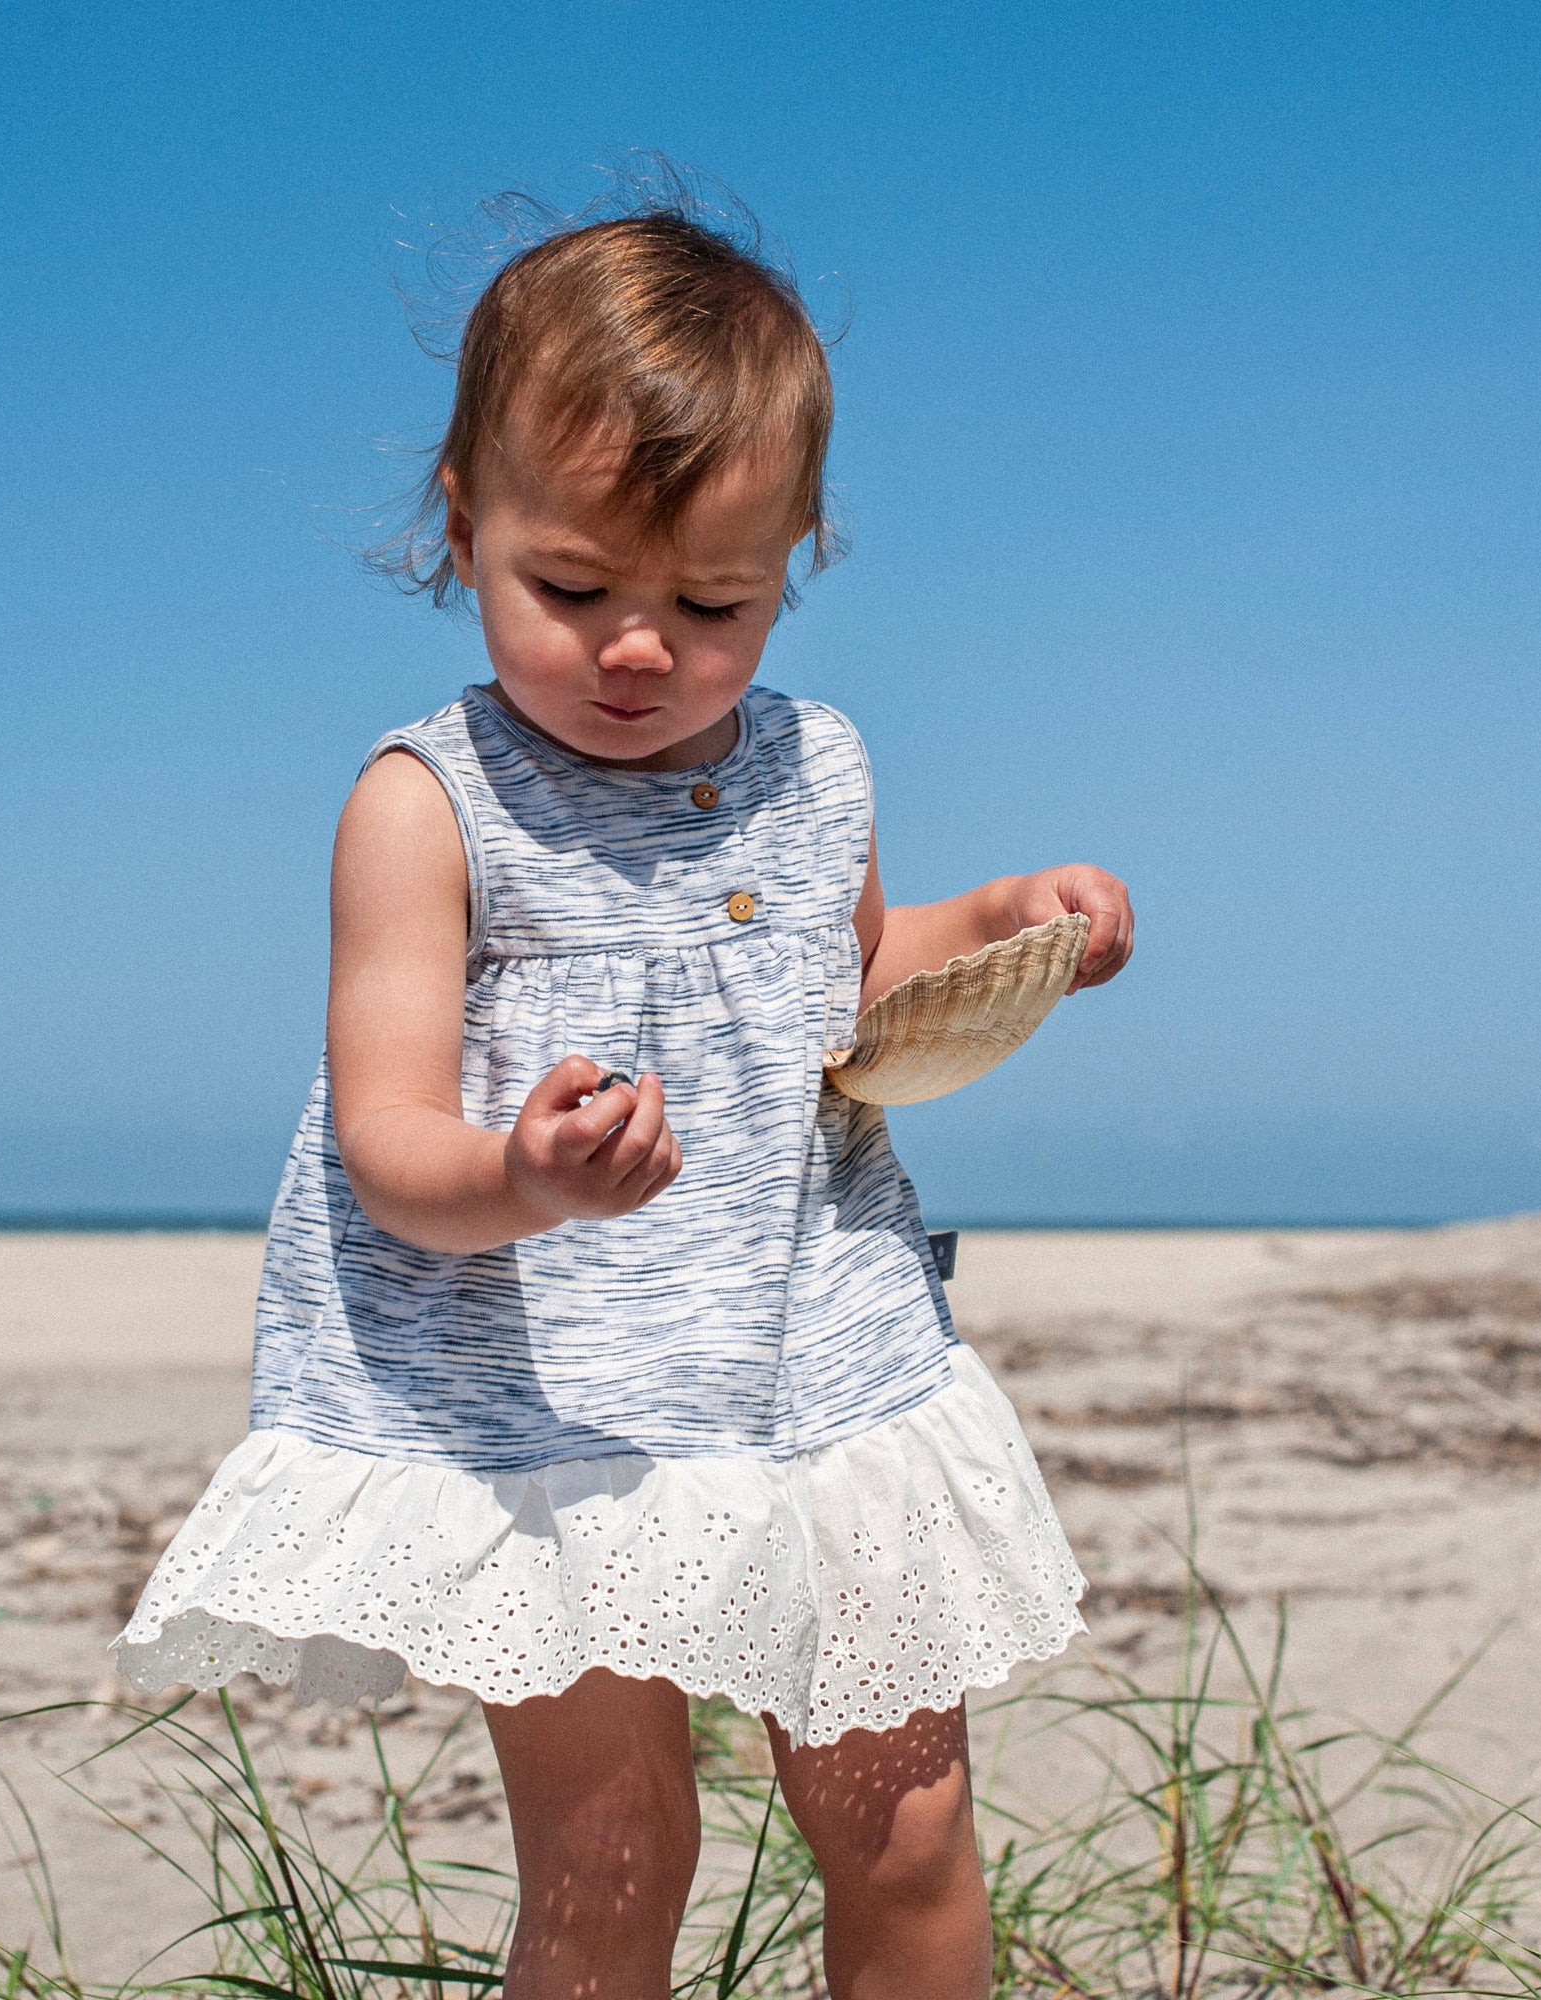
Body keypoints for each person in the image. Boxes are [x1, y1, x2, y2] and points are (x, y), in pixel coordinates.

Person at [117, 185, 1133, 2000]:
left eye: (715, 600)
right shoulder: (430, 805)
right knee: (616, 1855)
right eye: (573, 587)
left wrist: (1008, 921)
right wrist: (530, 1177)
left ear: (798, 556)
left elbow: (849, 983)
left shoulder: (817, 768)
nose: (641, 646)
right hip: (559, 1401)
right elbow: (388, 1146)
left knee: (906, 1828)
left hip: (818, 1352)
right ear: (466, 523)